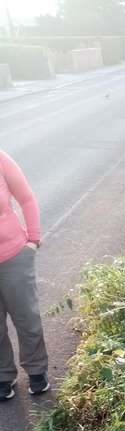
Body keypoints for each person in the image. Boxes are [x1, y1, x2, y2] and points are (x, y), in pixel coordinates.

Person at [0, 150, 49, 402]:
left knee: (26, 318)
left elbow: (26, 198)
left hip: (13, 256)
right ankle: (3, 376)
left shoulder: (1, 159)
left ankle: (37, 371)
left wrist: (34, 239)